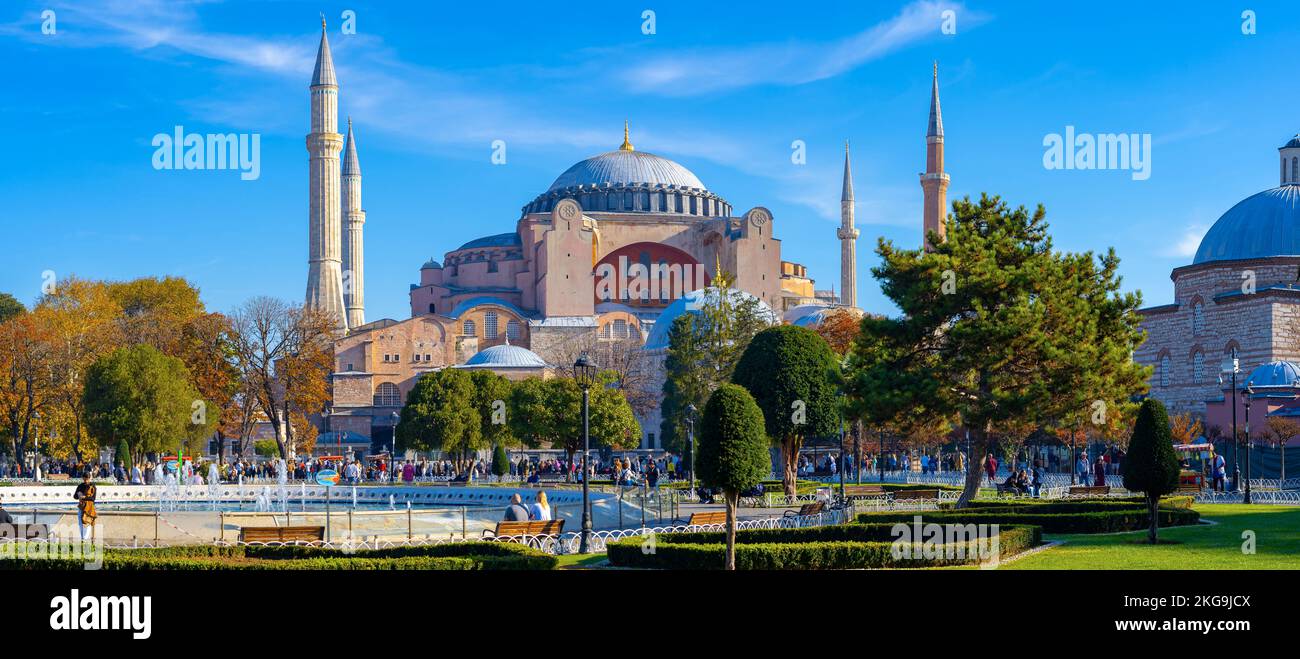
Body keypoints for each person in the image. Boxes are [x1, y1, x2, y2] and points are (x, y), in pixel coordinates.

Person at [73, 473, 97, 540]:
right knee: (80, 523)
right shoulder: (80, 486)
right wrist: (78, 494)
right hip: (81, 507)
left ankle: (85, 539)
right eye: (85, 479)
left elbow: (93, 498)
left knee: (87, 522)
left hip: (89, 508)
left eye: (87, 479)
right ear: (83, 478)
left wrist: (84, 497)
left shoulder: (93, 486)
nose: (86, 481)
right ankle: (82, 538)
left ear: (90, 478)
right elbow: (74, 496)